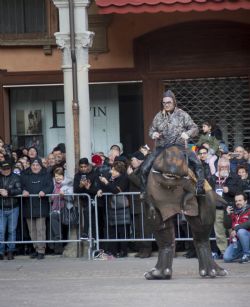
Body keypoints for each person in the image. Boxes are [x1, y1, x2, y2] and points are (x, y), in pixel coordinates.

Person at [141, 89, 203, 197]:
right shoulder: (158, 116)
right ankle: (144, 191)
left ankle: (200, 188)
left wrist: (188, 134)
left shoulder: (182, 114)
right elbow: (151, 129)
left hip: (180, 146)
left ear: (174, 102)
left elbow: (195, 128)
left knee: (197, 163)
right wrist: (153, 134)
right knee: (144, 168)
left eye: (168, 102)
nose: (166, 105)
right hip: (162, 147)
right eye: (164, 103)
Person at [20, 158, 53, 259]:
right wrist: (23, 191)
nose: (35, 167)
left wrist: (44, 191)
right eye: (33, 165)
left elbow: (50, 187)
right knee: (32, 230)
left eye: (37, 165)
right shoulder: (25, 175)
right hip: (28, 205)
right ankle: (36, 248)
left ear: (40, 166)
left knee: (40, 229)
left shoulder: (46, 174)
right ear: (30, 166)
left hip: (40, 205)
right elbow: (19, 186)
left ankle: (41, 250)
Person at [97, 161, 130, 257]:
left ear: (119, 171)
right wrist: (100, 189)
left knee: (122, 230)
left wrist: (106, 182)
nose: (111, 172)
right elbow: (107, 188)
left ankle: (123, 251)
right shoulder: (111, 178)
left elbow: (115, 190)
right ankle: (113, 251)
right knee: (112, 230)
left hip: (121, 207)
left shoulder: (124, 178)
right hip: (112, 207)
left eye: (114, 170)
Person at [127, 151, 152, 258]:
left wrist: (131, 175)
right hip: (135, 203)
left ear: (139, 160)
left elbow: (142, 184)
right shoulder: (135, 169)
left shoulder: (144, 169)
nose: (131, 162)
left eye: (132, 160)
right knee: (137, 228)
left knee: (144, 228)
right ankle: (141, 249)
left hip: (142, 203)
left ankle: (147, 249)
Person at [0, 160, 22, 260]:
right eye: (4, 169)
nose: (6, 171)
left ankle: (10, 251)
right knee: (1, 230)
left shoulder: (16, 177)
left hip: (13, 207)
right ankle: (1, 251)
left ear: (11, 168)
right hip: (1, 207)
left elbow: (19, 190)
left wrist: (8, 192)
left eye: (8, 169)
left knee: (11, 230)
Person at [50, 167, 74, 254]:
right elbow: (51, 198)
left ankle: (65, 246)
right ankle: (58, 248)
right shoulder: (53, 185)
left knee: (66, 230)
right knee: (56, 231)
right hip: (55, 210)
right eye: (56, 176)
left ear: (63, 176)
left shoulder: (68, 184)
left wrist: (65, 195)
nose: (58, 178)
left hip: (66, 210)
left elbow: (72, 198)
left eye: (60, 175)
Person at [73, 158, 99, 238]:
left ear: (88, 166)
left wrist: (88, 188)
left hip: (94, 200)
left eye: (85, 167)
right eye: (81, 167)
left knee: (92, 219)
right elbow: (75, 190)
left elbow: (97, 189)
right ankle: (87, 234)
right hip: (83, 201)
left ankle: (85, 232)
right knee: (89, 217)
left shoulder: (94, 174)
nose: (83, 169)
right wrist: (80, 186)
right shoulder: (77, 176)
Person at [223, 193, 250, 263]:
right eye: (236, 201)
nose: (237, 203)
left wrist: (236, 229)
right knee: (226, 258)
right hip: (237, 241)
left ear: (245, 201)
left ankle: (247, 255)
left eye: (240, 200)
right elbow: (227, 226)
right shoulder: (234, 212)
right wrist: (228, 214)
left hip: (248, 238)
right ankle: (244, 254)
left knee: (241, 231)